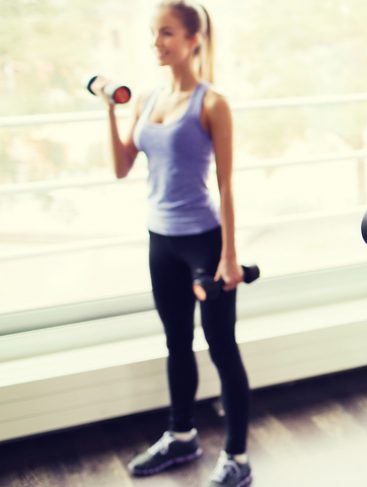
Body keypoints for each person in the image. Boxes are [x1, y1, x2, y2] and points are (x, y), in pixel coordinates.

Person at [97, 2, 251, 485]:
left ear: (193, 39)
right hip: (159, 240)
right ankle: (181, 435)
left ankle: (238, 458)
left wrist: (228, 255)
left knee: (222, 347)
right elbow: (122, 167)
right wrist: (111, 110)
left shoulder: (212, 103)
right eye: (153, 34)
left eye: (166, 33)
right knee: (176, 342)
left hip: (203, 243)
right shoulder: (145, 99)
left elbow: (226, 185)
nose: (157, 43)